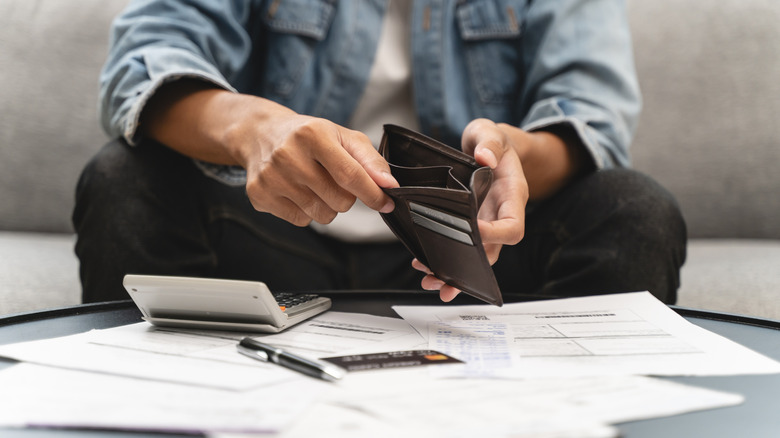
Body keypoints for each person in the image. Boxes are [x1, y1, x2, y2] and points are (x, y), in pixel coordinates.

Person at [73, 0, 686, 305]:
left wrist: (510, 159)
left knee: (631, 209)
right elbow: (145, 60)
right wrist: (254, 127)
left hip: (473, 262)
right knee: (125, 181)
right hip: (270, 238)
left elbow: (589, 113)